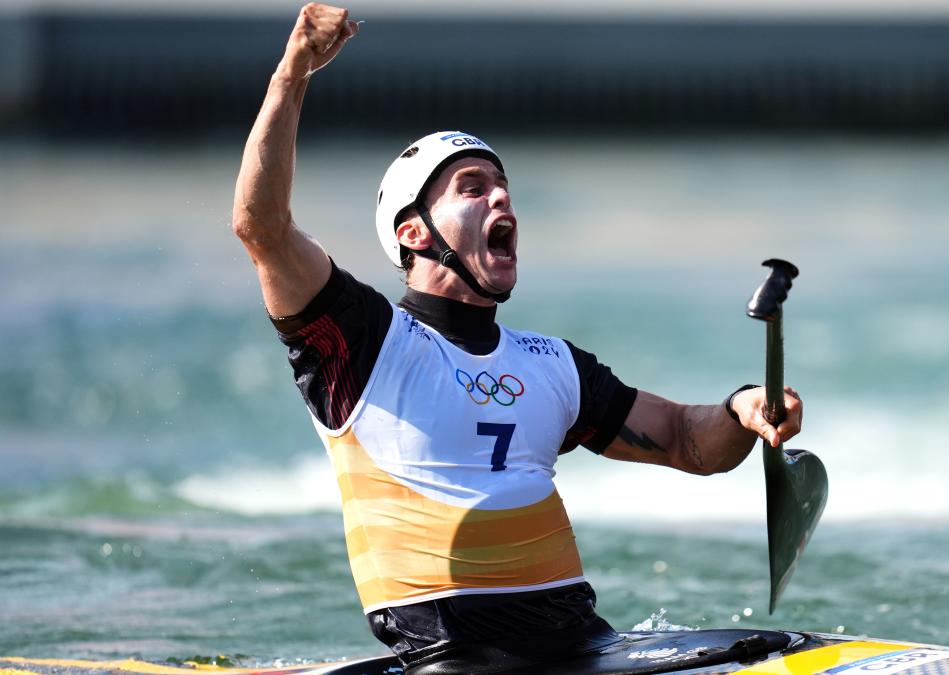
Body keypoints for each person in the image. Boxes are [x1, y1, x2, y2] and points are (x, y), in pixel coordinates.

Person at [231, 4, 804, 672]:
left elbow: (684, 439)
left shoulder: (552, 363)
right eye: (473, 189)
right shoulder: (361, 342)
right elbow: (261, 227)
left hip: (587, 645)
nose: (502, 201)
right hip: (449, 656)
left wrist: (742, 407)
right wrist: (293, 71)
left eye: (504, 188)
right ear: (413, 233)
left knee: (780, 647)